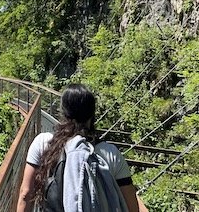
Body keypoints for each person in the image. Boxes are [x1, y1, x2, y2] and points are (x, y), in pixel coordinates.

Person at [16, 84, 143, 212]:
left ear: (63, 112)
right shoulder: (111, 153)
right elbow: (132, 206)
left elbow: (26, 194)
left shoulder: (43, 143)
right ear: (92, 115)